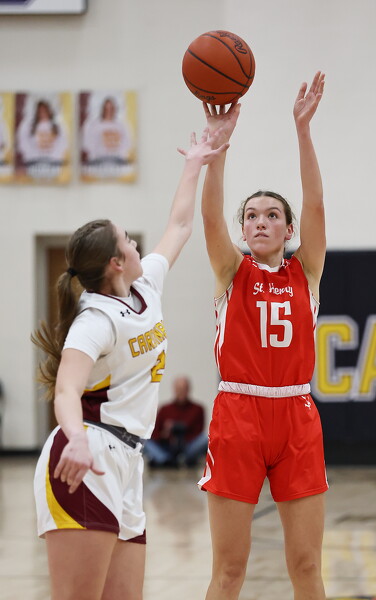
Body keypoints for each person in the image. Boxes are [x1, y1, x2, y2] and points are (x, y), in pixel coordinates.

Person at [31, 126, 229, 600]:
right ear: (116, 263)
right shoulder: (94, 321)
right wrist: (76, 439)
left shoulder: (146, 287)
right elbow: (66, 389)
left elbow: (179, 226)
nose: (137, 245)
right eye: (127, 241)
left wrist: (194, 162)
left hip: (128, 460)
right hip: (86, 456)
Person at [198, 72, 328, 600]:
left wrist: (303, 132)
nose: (259, 222)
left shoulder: (306, 271)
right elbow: (211, 218)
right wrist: (218, 149)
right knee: (230, 570)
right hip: (239, 413)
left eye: (272, 215)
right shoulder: (232, 271)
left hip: (296, 414)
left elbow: (315, 204)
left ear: (288, 230)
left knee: (307, 565)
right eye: (250, 216)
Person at [144, 375, 207, 468]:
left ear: (188, 390)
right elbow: (154, 432)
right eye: (179, 389)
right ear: (174, 390)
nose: (181, 392)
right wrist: (166, 434)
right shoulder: (165, 409)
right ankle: (165, 460)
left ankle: (170, 459)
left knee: (204, 439)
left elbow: (199, 432)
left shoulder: (198, 409)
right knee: (144, 440)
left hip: (188, 446)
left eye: (183, 389)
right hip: (166, 446)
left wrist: (183, 431)